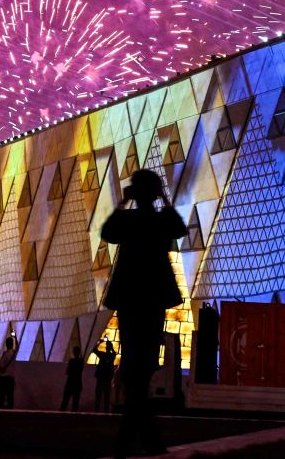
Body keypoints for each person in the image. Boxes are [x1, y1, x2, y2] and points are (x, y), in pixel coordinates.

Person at [100, 169, 185, 458]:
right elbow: (179, 227)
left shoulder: (128, 220)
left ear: (135, 193)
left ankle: (134, 439)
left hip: (129, 299)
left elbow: (107, 232)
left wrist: (123, 203)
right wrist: (164, 198)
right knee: (144, 364)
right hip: (153, 299)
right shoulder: (160, 221)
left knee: (136, 364)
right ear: (155, 192)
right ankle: (145, 439)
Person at [61, 332, 86, 411]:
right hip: (77, 384)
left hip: (70, 383)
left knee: (65, 401)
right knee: (75, 403)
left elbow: (68, 372)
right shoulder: (81, 361)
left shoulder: (72, 361)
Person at [0, 329, 19, 407]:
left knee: (1, 397)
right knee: (10, 397)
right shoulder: (13, 353)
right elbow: (18, 347)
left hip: (3, 378)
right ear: (12, 344)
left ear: (6, 344)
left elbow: (0, 367)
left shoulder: (4, 354)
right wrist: (15, 337)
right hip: (10, 379)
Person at [93, 338, 117, 412]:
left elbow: (94, 350)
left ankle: (96, 412)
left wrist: (99, 342)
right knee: (106, 397)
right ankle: (105, 412)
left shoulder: (103, 355)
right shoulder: (112, 356)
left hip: (101, 378)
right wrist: (111, 346)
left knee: (98, 397)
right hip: (107, 379)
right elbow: (114, 352)